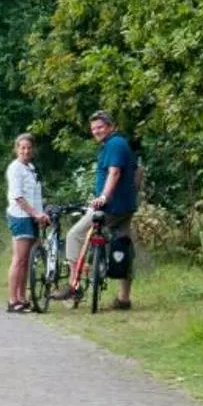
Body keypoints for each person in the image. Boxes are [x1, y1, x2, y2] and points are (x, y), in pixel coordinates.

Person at [65, 109, 139, 310]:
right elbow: (135, 173)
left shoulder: (114, 144)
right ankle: (124, 298)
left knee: (74, 235)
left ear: (111, 126)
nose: (96, 131)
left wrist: (104, 197)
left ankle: (75, 286)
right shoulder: (119, 144)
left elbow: (114, 173)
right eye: (94, 128)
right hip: (125, 207)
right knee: (122, 247)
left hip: (109, 207)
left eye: (100, 127)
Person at [4, 133, 47, 312]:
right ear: (16, 149)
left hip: (33, 217)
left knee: (28, 260)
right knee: (19, 259)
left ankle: (22, 297)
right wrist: (35, 214)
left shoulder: (30, 168)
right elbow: (18, 197)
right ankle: (13, 300)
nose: (26, 150)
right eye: (22, 147)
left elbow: (35, 195)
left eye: (28, 147)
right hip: (21, 217)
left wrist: (42, 214)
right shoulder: (15, 168)